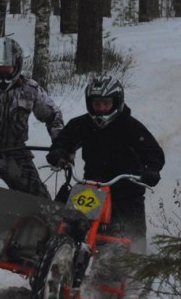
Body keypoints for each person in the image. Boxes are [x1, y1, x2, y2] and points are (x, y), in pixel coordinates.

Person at [46, 75, 165, 253]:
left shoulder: (130, 126)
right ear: (89, 103)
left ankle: (132, 270)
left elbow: (152, 151)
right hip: (92, 186)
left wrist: (151, 169)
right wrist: (59, 153)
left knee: (128, 234)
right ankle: (56, 257)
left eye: (106, 104)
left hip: (125, 189)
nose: (101, 109)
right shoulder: (82, 124)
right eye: (96, 104)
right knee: (67, 222)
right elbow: (65, 139)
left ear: (116, 102)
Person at [0, 37, 64, 199]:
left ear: (16, 66)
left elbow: (53, 115)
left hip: (16, 152)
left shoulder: (29, 89)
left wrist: (60, 143)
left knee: (40, 201)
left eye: (8, 68)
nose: (3, 72)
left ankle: (32, 224)